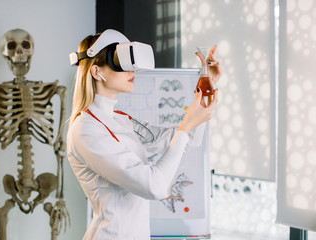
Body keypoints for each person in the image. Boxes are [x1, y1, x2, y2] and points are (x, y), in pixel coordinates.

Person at [66, 29, 222, 240]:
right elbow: (154, 187)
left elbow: (189, 140)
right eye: (120, 64)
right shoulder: (86, 130)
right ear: (96, 72)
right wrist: (186, 125)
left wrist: (205, 88)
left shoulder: (121, 119)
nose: (133, 72)